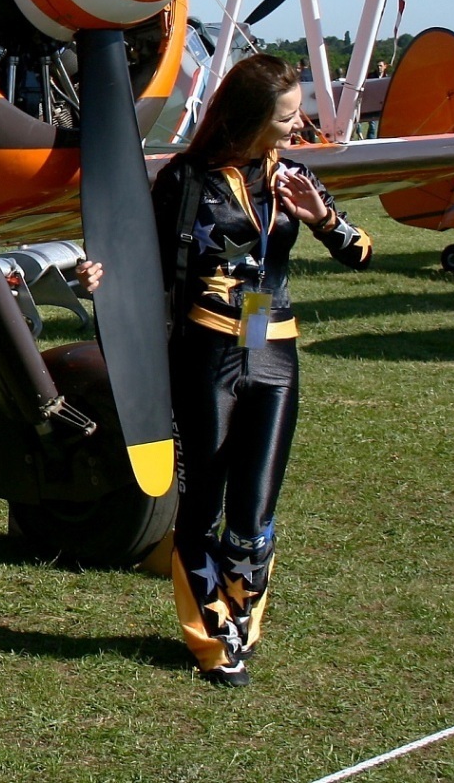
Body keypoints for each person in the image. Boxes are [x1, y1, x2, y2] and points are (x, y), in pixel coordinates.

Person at [149, 54, 373, 687]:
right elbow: (137, 257)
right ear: (252, 119)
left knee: (252, 516)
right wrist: (97, 279)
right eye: (287, 115)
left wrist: (322, 218)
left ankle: (240, 622)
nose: (299, 122)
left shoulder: (295, 176)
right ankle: (213, 641)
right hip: (204, 351)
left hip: (272, 349)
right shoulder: (185, 179)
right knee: (201, 508)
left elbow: (359, 251)